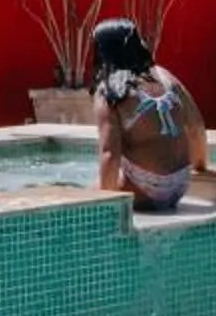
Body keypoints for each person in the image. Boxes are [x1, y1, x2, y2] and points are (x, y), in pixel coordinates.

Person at [87, 18, 208, 213]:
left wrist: (106, 207)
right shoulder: (166, 77)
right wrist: (201, 167)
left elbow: (109, 153)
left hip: (146, 188)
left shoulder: (110, 91)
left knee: (84, 196)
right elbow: (196, 128)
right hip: (181, 183)